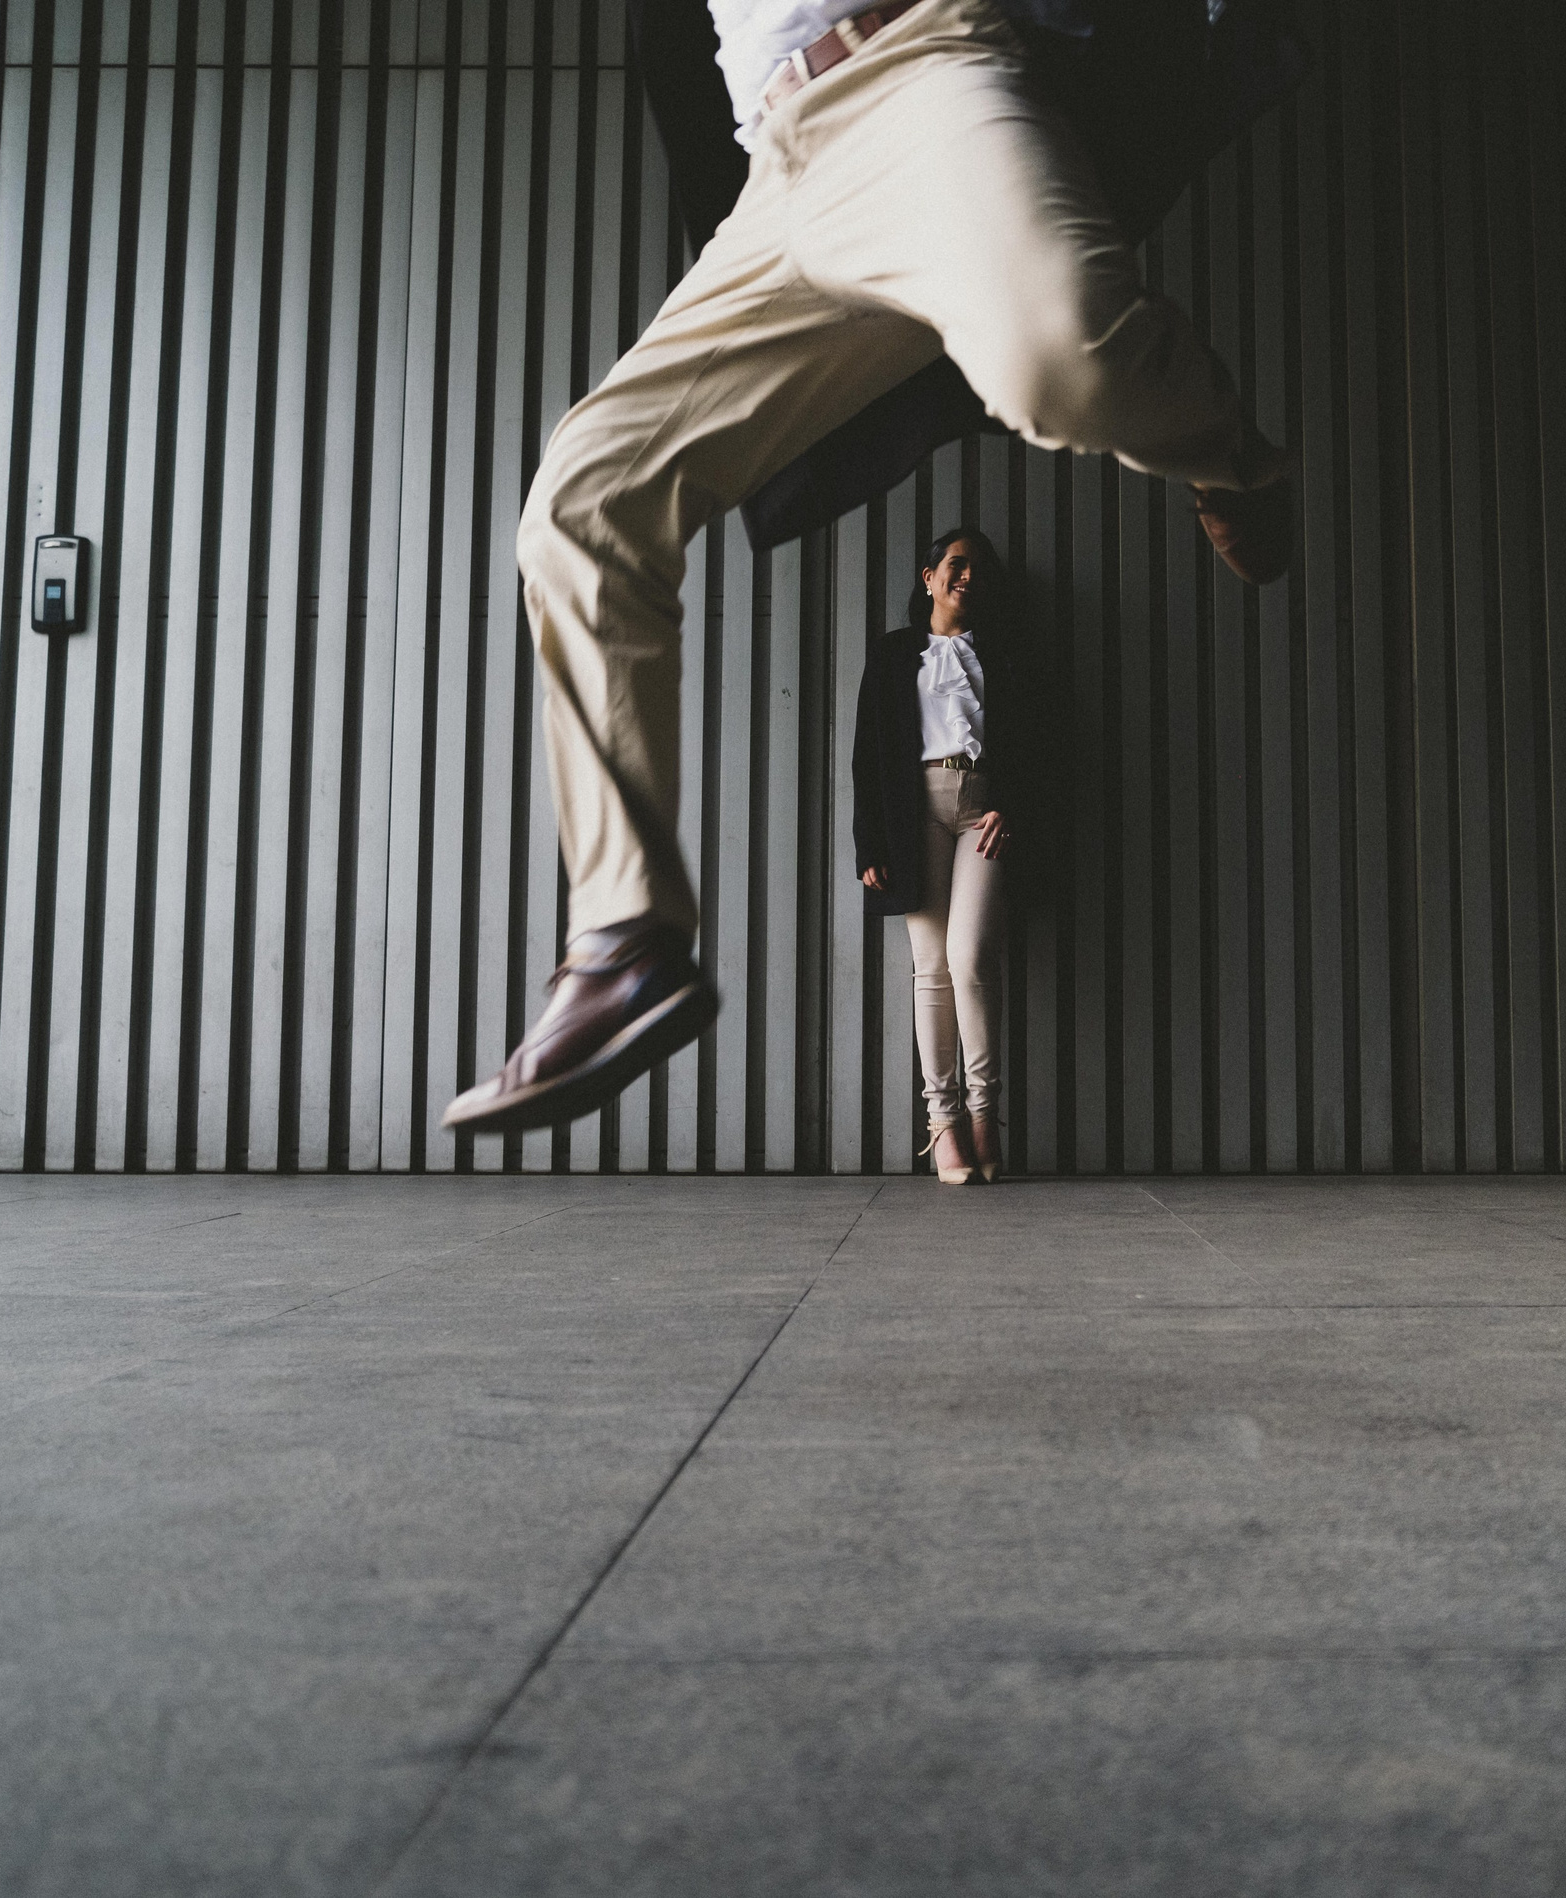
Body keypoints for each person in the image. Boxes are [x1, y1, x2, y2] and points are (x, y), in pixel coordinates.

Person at [441, 0, 1304, 1135]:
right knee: (580, 501)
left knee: (1058, 367)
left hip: (918, 73)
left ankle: (1231, 458)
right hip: (779, 167)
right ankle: (622, 935)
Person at [854, 529, 1024, 1184]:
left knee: (971, 957)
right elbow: (869, 755)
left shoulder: (1004, 654)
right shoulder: (897, 654)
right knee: (930, 967)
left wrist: (1012, 802)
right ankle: (943, 1124)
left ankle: (985, 1113)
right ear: (928, 577)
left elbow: (1039, 737)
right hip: (912, 811)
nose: (967, 577)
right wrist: (871, 844)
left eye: (979, 569)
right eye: (956, 565)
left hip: (983, 809)